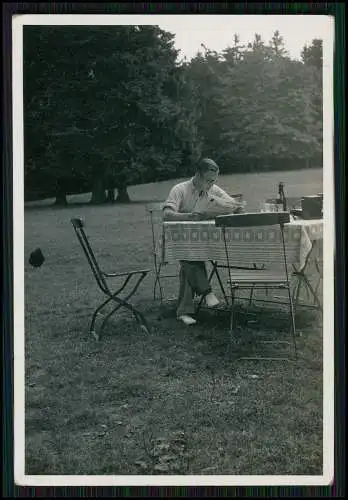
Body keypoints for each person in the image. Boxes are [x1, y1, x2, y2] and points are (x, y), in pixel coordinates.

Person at [163, 157, 245, 325]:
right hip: (178, 239)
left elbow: (234, 204)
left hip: (203, 240)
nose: (210, 185)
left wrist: (236, 207)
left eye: (213, 181)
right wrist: (189, 217)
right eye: (208, 181)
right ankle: (207, 293)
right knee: (189, 254)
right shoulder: (180, 189)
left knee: (190, 259)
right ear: (198, 176)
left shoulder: (213, 188)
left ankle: (184, 311)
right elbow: (167, 214)